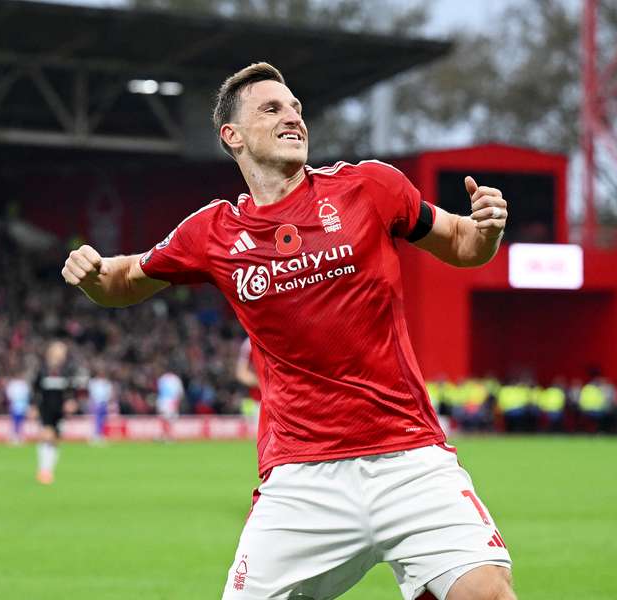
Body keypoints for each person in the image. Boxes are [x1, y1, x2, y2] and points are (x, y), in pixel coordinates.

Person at [62, 63, 513, 600]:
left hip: (409, 460)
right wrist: (92, 278)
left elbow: (462, 243)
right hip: (302, 480)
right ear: (232, 136)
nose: (293, 117)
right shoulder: (212, 232)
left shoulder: (370, 186)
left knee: (487, 594)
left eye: (297, 108)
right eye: (272, 109)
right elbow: (124, 279)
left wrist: (486, 228)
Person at [33, 340, 73, 484]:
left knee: (55, 441)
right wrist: (33, 407)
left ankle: (47, 470)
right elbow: (35, 390)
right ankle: (44, 471)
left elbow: (70, 391)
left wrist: (70, 401)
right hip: (45, 409)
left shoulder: (67, 371)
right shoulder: (42, 371)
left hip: (59, 411)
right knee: (47, 436)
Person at [87, 361, 114, 445]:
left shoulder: (106, 383)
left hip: (104, 403)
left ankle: (101, 435)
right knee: (97, 420)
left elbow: (109, 393)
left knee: (102, 420)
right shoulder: (93, 382)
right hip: (96, 403)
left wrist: (108, 402)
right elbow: (91, 393)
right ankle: (96, 436)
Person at [5, 369, 32, 445]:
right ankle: (14, 436)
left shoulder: (23, 384)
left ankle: (19, 436)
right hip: (15, 405)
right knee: (15, 421)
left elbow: (27, 395)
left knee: (21, 421)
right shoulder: (13, 384)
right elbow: (9, 394)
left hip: (22, 405)